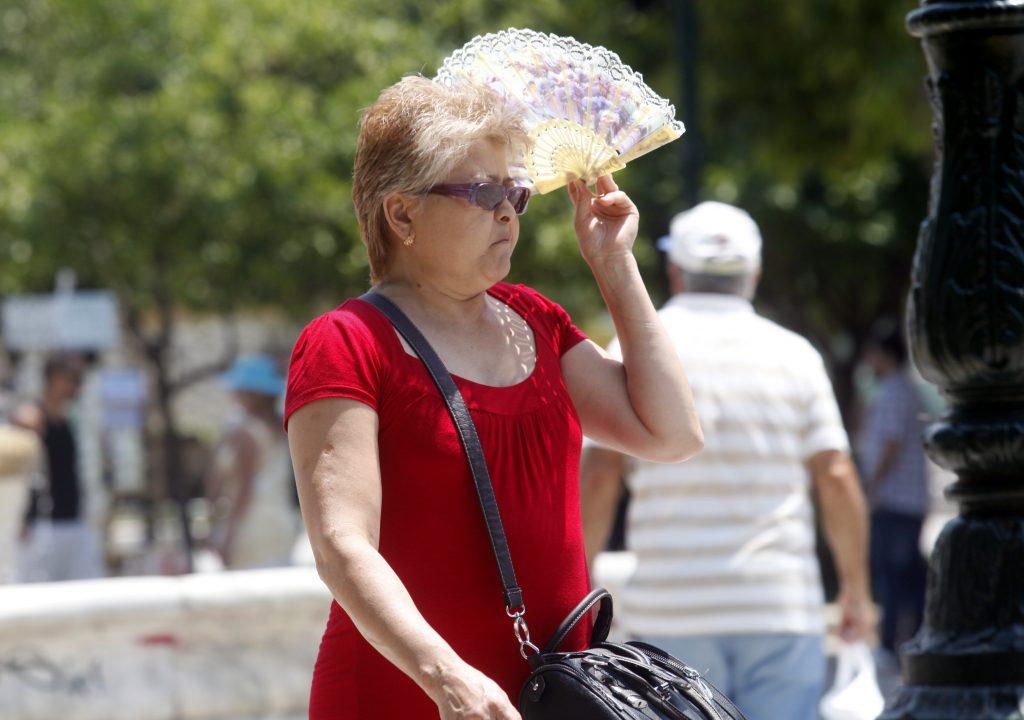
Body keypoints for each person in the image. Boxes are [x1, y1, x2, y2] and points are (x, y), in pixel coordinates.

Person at [284, 75, 703, 720]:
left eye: (516, 192)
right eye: (482, 192)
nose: (508, 212)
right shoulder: (346, 342)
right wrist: (449, 676)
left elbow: (671, 434)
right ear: (401, 214)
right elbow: (342, 547)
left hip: (550, 699)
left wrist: (615, 266)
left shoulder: (535, 318)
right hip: (408, 696)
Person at [579, 201, 874, 720]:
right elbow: (834, 473)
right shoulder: (795, 354)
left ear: (674, 271)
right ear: (753, 275)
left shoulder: (633, 351)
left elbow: (601, 475)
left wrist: (582, 584)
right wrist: (855, 590)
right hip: (779, 604)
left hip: (671, 610)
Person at [857, 324, 929, 659]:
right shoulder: (905, 389)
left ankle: (891, 643)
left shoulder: (893, 391)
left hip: (895, 498)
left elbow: (890, 444)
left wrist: (872, 488)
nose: (869, 359)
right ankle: (915, 638)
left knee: (892, 575)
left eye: (873, 351)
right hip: (909, 498)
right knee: (910, 575)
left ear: (885, 354)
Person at [13, 353, 105, 582]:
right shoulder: (32, 417)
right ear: (54, 378)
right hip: (42, 527)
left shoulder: (69, 419)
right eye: (71, 378)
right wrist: (23, 518)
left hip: (73, 520)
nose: (76, 386)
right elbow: (22, 473)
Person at [204, 353, 298, 570]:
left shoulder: (245, 432)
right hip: (281, 523)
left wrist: (227, 535)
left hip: (251, 527)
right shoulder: (280, 427)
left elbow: (245, 488)